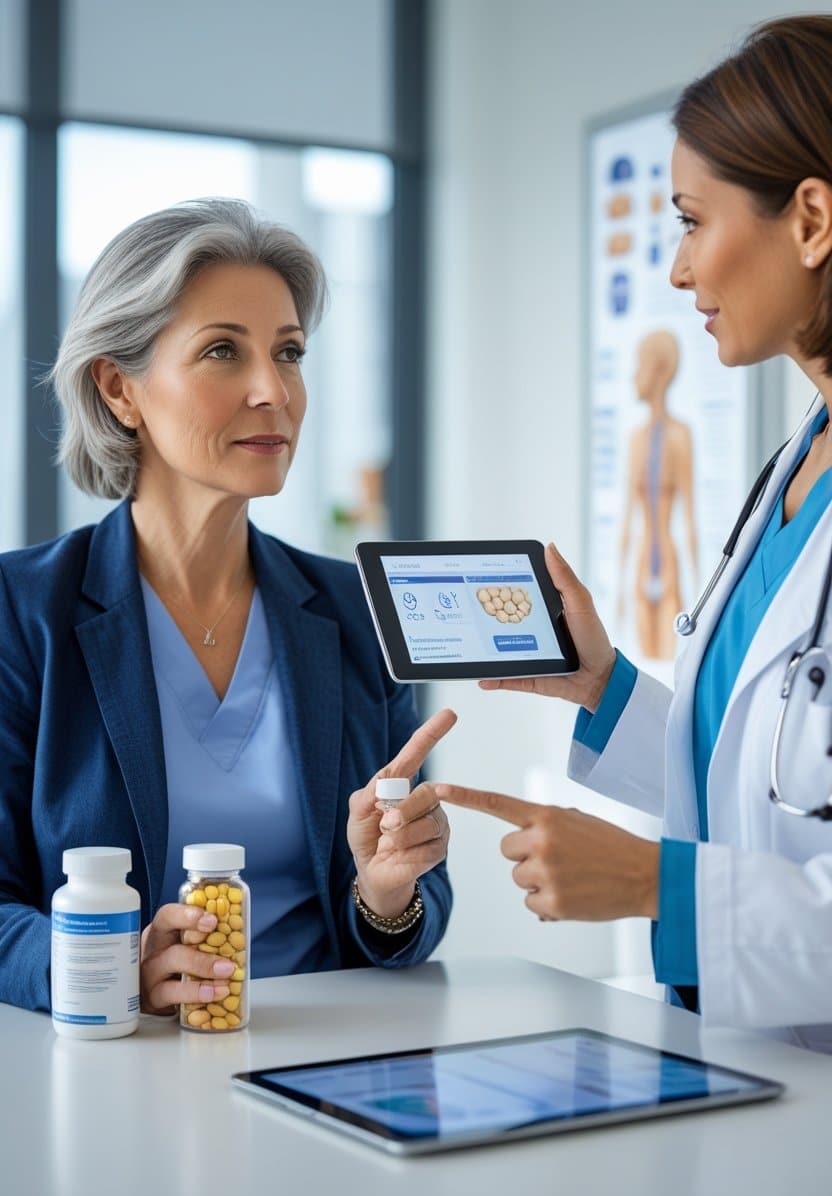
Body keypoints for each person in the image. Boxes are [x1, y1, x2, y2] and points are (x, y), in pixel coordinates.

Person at [437, 15, 832, 1051]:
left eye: (693, 222)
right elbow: (772, 784)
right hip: (751, 1071)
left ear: (811, 219)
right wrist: (605, 687)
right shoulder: (798, 465)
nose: (677, 270)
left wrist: (657, 885)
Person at [0, 198, 453, 1015]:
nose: (272, 391)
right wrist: (105, 963)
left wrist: (385, 895)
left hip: (328, 1055)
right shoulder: (21, 610)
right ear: (119, 388)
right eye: (222, 351)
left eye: (289, 353)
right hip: (114, 1059)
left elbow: (412, 905)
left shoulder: (356, 611)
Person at [618, 330, 697, 660]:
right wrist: (618, 590)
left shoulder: (680, 436)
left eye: (641, 366)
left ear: (661, 370)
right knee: (645, 664)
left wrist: (701, 592)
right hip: (640, 567)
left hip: (667, 564)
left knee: (669, 663)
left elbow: (690, 517)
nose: (634, 376)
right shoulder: (636, 440)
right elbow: (627, 520)